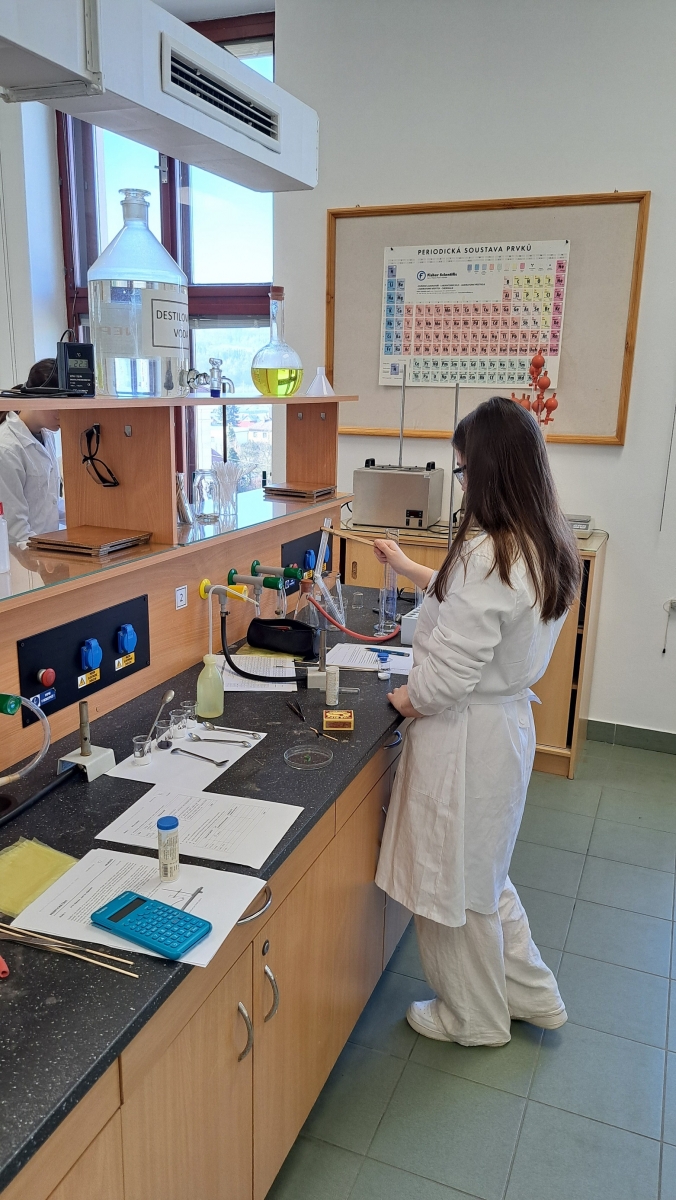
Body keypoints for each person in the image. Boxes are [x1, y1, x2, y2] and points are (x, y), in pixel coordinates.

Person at [374, 396, 581, 1047]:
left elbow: (447, 678)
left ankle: (474, 1018)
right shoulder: (543, 542)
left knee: (450, 887)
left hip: (465, 741)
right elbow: (470, 608)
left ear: (489, 471)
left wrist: (403, 701)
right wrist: (409, 570)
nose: (460, 484)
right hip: (505, 729)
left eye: (463, 470)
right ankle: (531, 995)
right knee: (484, 880)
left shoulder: (488, 553)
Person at [0, 359, 62, 544]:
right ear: (36, 398)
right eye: (58, 405)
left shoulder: (46, 435)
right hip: (23, 553)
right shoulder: (7, 448)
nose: (64, 413)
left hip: (45, 547)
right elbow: (15, 528)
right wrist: (42, 557)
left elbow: (49, 502)